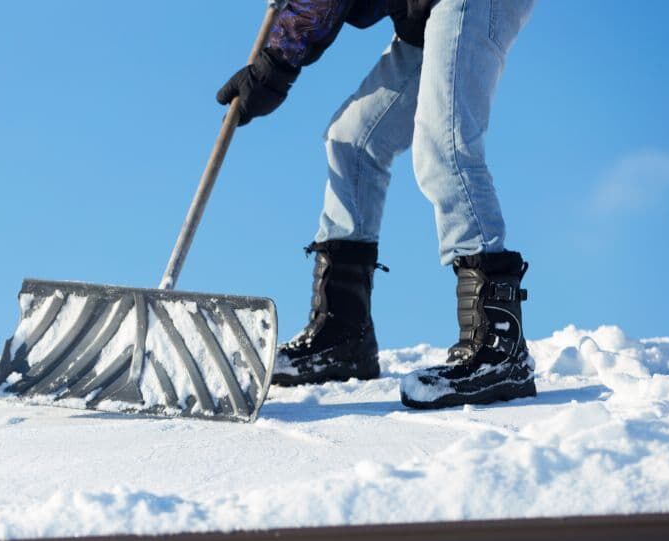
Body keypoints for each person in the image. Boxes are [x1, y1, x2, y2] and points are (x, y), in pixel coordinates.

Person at [217, 0, 537, 409]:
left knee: (445, 147)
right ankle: (343, 335)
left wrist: (273, 66)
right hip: (423, 12)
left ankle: (500, 349)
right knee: (352, 141)